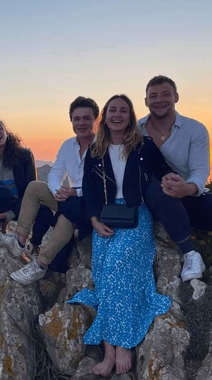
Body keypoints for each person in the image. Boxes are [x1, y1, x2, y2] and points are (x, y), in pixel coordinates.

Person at [68, 95, 172, 377]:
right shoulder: (96, 150)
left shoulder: (143, 146)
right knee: (103, 276)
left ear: (130, 116)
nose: (117, 115)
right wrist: (93, 220)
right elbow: (89, 190)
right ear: (105, 115)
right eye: (112, 110)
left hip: (136, 216)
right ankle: (109, 347)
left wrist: (187, 188)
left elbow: (166, 174)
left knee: (117, 266)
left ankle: (121, 345)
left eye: (123, 111)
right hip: (105, 218)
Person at [0, 97, 99, 285]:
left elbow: (103, 184)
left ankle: (40, 264)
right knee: (34, 187)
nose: (81, 123)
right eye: (76, 118)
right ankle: (20, 240)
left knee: (67, 215)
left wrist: (75, 192)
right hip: (69, 198)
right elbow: (57, 171)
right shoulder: (68, 145)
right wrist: (57, 190)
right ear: (71, 120)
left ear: (95, 120)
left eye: (86, 118)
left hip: (92, 203)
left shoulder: (103, 146)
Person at [139, 75, 211, 282]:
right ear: (146, 101)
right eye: (153, 96)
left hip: (186, 195)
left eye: (165, 94)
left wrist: (186, 188)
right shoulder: (135, 130)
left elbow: (200, 169)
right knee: (156, 188)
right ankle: (189, 253)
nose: (159, 99)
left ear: (176, 97)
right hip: (149, 198)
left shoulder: (195, 129)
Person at [0, 119, 53, 253]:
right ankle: (0, 225)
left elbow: (31, 190)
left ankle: (33, 245)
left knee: (45, 212)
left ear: (6, 133)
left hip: (20, 204)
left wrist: (11, 213)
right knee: (1, 193)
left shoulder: (24, 156)